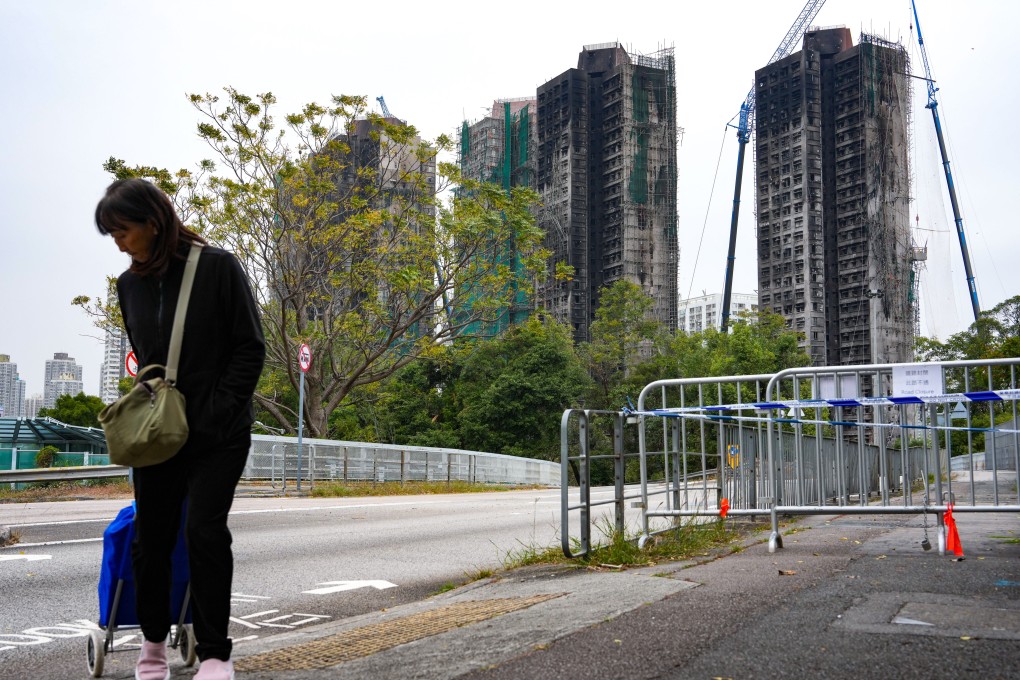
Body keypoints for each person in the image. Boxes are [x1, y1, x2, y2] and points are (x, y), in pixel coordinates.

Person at [95, 178, 265, 680]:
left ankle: (215, 653)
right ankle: (151, 648)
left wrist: (215, 411)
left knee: (204, 533)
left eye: (122, 230)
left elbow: (249, 347)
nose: (118, 243)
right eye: (111, 235)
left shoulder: (218, 266)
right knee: (152, 537)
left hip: (220, 433)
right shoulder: (128, 285)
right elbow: (148, 361)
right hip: (159, 434)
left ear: (152, 221)